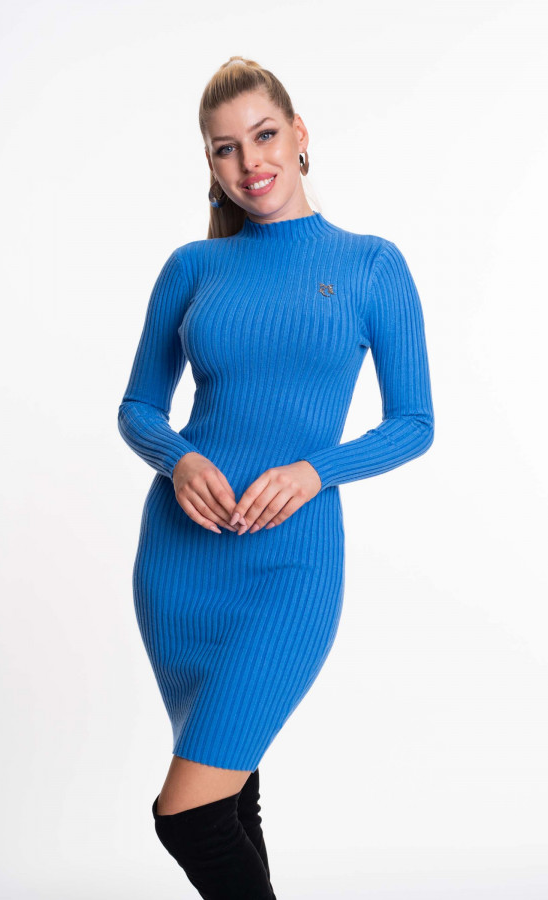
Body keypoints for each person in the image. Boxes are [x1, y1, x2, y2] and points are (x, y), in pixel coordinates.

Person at [117, 54, 435, 899]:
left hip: (291, 565)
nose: (249, 162)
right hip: (180, 565)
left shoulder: (371, 264)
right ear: (209, 161)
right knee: (227, 802)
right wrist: (179, 457)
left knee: (189, 815)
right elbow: (139, 407)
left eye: (263, 136)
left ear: (299, 135)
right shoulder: (193, 266)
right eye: (225, 148)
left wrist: (314, 472)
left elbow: (414, 423)